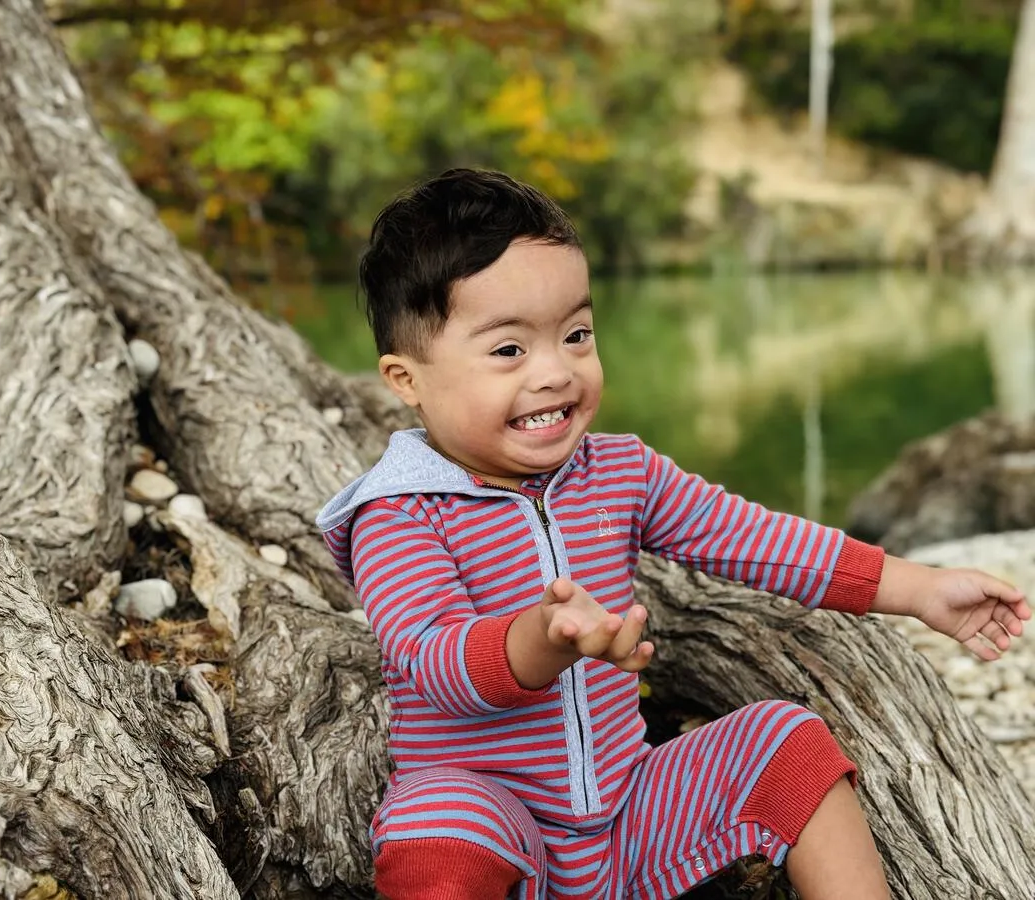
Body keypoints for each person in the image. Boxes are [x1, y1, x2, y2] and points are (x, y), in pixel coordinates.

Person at [315, 168, 1030, 900]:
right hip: (497, 821)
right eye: (508, 351)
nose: (556, 372)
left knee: (786, 741)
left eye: (577, 334)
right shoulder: (398, 512)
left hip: (628, 818)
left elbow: (756, 537)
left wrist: (921, 589)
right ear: (406, 379)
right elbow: (432, 660)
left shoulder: (618, 470)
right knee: (434, 823)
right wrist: (542, 636)